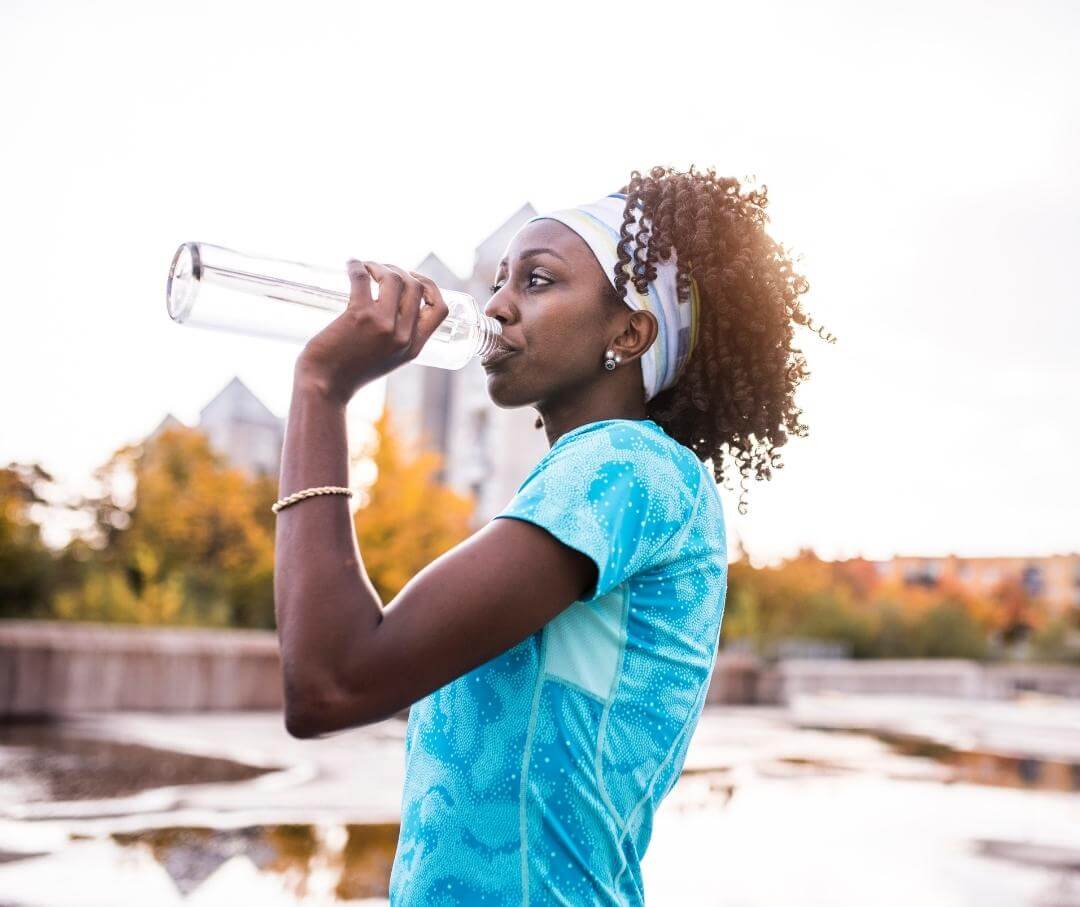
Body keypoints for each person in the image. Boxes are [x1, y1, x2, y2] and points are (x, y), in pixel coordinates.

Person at [272, 164, 833, 904]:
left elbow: (331, 680)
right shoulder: (599, 484)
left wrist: (320, 388)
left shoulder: (625, 467)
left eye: (536, 281)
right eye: (499, 280)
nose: (497, 306)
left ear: (629, 332)